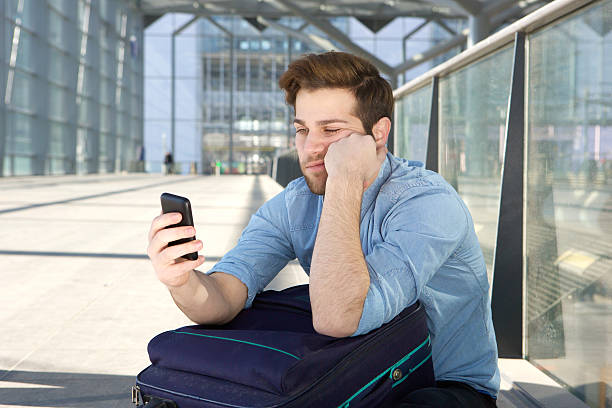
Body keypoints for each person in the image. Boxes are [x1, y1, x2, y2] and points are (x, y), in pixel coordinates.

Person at [147, 51, 499, 407]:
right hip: (355, 372)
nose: (311, 147)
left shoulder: (426, 203)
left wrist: (345, 179)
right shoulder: (295, 203)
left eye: (331, 130)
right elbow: (223, 297)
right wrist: (181, 280)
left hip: (439, 384)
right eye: (302, 130)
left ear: (378, 134)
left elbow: (340, 319)